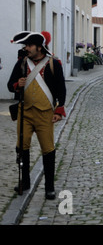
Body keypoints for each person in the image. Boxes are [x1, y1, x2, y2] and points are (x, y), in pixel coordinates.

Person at [7, 31, 66, 200]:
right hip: (24, 112)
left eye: (29, 45)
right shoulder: (22, 63)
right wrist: (17, 84)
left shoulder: (54, 64)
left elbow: (61, 89)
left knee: (48, 149)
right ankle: (25, 181)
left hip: (45, 114)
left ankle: (49, 187)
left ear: (39, 47)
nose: (26, 48)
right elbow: (10, 85)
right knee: (22, 147)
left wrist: (59, 110)